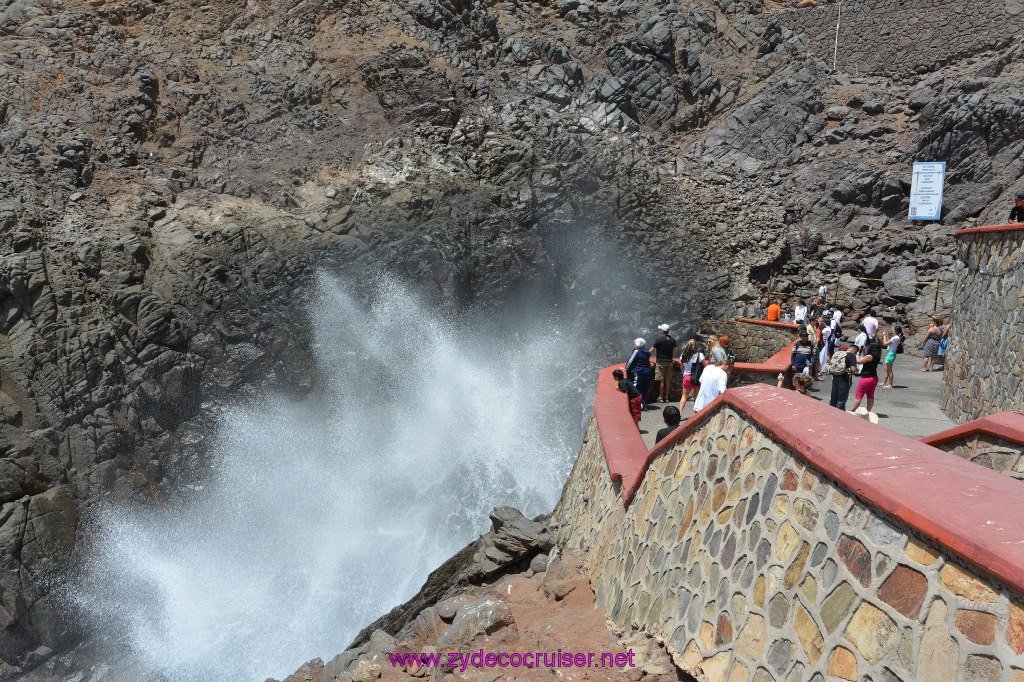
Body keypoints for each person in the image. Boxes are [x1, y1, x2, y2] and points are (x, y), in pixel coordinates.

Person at [849, 331, 882, 414]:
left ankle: (852, 411)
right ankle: (868, 411)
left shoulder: (869, 356)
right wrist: (863, 351)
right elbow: (866, 357)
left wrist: (857, 354)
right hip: (874, 378)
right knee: (870, 395)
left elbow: (859, 361)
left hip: (866, 378)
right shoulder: (876, 356)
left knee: (859, 395)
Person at [625, 338, 654, 410]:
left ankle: (639, 405)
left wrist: (626, 369)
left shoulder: (636, 351)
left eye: (635, 344)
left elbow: (630, 361)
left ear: (638, 345)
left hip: (639, 372)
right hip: (647, 372)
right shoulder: (646, 352)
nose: (634, 345)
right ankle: (643, 405)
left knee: (636, 388)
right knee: (644, 388)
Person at [651, 324, 677, 403]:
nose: (660, 331)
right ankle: (667, 397)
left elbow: (652, 350)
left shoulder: (658, 339)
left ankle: (660, 397)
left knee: (661, 380)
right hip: (669, 361)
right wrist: (670, 355)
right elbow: (675, 350)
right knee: (668, 380)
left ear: (662, 331)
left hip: (661, 362)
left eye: (660, 330)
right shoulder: (672, 339)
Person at [827, 343, 856, 410]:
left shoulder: (838, 354)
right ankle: (839, 416)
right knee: (841, 399)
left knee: (833, 397)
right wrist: (857, 370)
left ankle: (830, 412)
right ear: (855, 350)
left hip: (835, 376)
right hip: (844, 378)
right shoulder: (851, 355)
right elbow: (853, 369)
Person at [678, 339, 704, 410]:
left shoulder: (683, 355)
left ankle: (679, 413)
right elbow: (705, 366)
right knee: (697, 397)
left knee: (684, 396)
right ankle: (697, 415)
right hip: (696, 378)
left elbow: (681, 366)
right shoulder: (700, 355)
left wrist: (684, 374)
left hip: (687, 377)